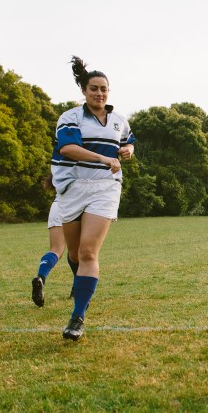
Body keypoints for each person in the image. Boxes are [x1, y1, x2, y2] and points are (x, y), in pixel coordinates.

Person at [50, 56, 135, 341]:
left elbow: (128, 141)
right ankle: (80, 283)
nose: (100, 93)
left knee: (88, 252)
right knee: (73, 254)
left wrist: (128, 151)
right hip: (73, 187)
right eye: (94, 88)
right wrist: (102, 157)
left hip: (105, 187)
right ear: (84, 91)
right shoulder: (70, 117)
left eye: (104, 89)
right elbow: (68, 149)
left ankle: (77, 317)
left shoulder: (119, 120)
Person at [31, 176, 77, 307]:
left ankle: (41, 276)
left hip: (58, 205)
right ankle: (77, 287)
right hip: (78, 206)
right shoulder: (88, 160)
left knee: (56, 250)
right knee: (78, 252)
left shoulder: (60, 161)